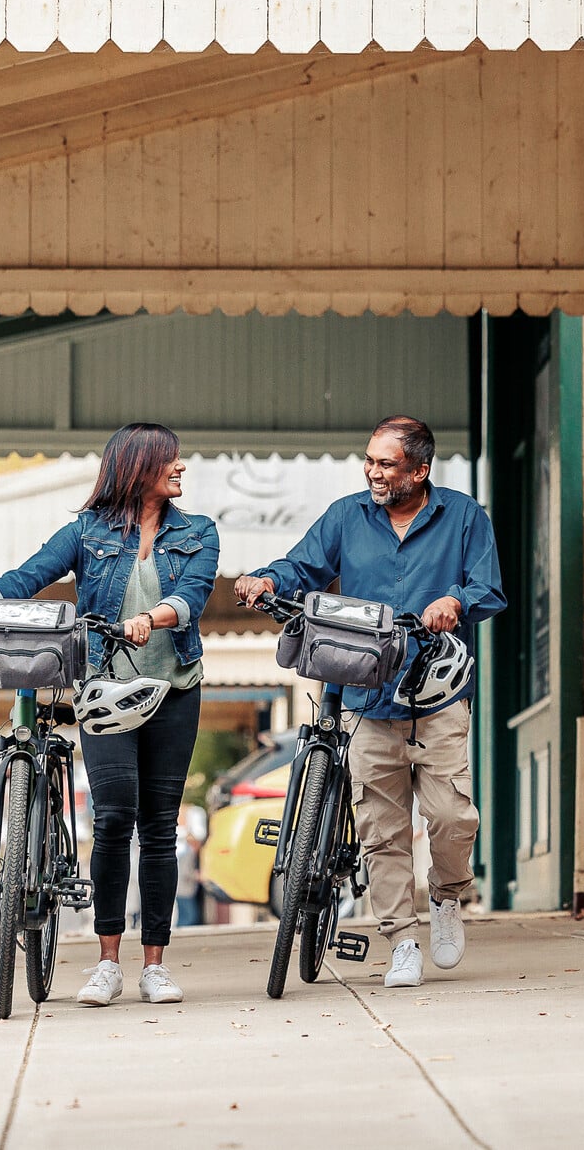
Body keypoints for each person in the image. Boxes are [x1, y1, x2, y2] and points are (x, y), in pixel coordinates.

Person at [0, 424, 219, 1006]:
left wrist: (152, 619)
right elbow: (22, 579)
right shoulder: (87, 532)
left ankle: (155, 963)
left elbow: (193, 598)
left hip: (175, 688)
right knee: (112, 819)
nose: (182, 468)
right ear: (139, 467)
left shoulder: (198, 532)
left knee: (159, 828)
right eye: (171, 460)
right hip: (105, 687)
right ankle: (108, 962)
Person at [234, 416, 504, 990]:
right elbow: (301, 566)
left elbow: (487, 587)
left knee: (452, 816)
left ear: (420, 470)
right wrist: (265, 579)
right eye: (370, 460)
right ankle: (401, 940)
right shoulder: (345, 516)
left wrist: (454, 601)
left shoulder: (463, 517)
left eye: (386, 463)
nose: (373, 472)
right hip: (363, 693)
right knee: (382, 828)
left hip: (437, 692)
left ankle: (449, 897)